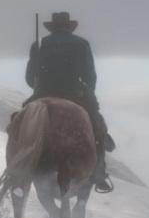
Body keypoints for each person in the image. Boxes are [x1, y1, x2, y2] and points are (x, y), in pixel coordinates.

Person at [24, 12, 115, 193]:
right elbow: (90, 76)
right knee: (97, 127)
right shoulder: (81, 44)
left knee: (20, 122)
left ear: (52, 27)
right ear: (69, 27)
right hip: (75, 94)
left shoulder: (39, 44)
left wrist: (40, 86)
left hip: (43, 93)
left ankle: (17, 170)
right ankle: (99, 174)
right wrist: (87, 91)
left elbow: (29, 78)